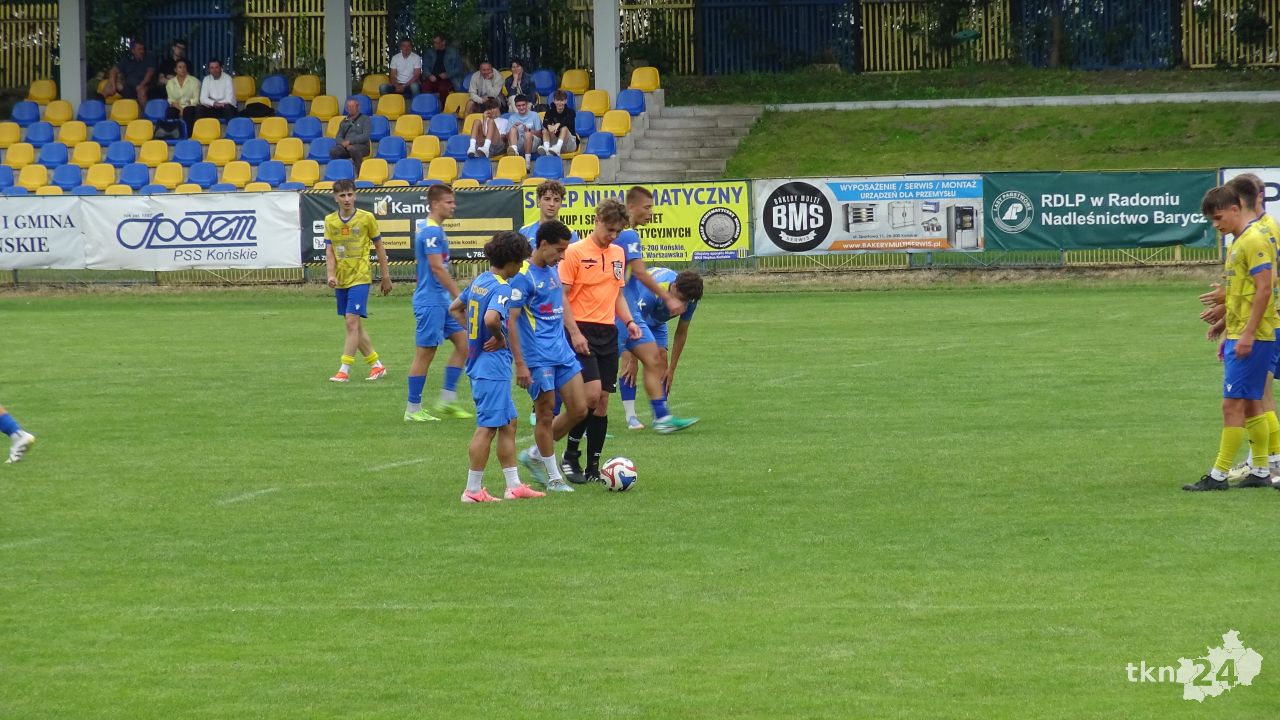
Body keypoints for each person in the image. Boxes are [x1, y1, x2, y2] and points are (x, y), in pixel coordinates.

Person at [1185, 185, 1280, 491]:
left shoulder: (1254, 240)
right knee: (1252, 403)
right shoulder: (1239, 241)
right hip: (1242, 332)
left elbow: (1265, 289)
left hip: (1256, 334)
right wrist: (1226, 325)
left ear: (1236, 208)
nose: (1216, 225)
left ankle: (1218, 476)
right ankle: (1262, 470)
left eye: (1219, 217)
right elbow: (1243, 293)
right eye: (1212, 220)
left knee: (1232, 405)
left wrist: (1248, 334)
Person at [449, 231, 544, 503]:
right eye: (520, 261)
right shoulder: (502, 288)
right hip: (491, 366)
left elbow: (455, 308)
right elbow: (491, 318)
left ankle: (513, 486)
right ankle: (472, 490)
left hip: (482, 362)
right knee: (488, 426)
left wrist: (474, 336)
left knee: (509, 422)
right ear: (511, 261)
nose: (521, 266)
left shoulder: (480, 280)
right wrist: (499, 338)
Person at [558, 198, 643, 483]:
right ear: (597, 221)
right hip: (581, 330)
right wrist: (574, 333)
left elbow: (617, 294)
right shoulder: (574, 252)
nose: (613, 236)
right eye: (609, 230)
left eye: (618, 231)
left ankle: (594, 467)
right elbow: (562, 296)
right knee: (591, 396)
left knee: (603, 402)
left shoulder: (618, 253)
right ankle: (570, 454)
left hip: (608, 331)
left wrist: (629, 322)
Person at [509, 221, 589, 493]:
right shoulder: (523, 277)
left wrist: (574, 333)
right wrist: (521, 364)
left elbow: (561, 301)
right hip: (538, 357)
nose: (563, 256)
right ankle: (554, 478)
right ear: (543, 245)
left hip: (562, 352)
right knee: (545, 413)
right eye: (559, 250)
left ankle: (534, 454)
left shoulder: (553, 269)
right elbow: (511, 320)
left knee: (580, 408)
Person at [614, 186, 698, 433]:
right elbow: (640, 273)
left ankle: (661, 417)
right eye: (647, 207)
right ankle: (581, 421)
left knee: (653, 358)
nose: (651, 212)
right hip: (616, 309)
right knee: (599, 372)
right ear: (631, 207)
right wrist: (667, 298)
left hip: (628, 309)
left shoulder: (626, 236)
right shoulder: (628, 235)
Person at [406, 184, 473, 422]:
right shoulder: (431, 231)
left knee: (465, 344)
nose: (453, 206)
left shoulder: (433, 228)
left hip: (441, 301)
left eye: (453, 202)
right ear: (435, 204)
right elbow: (437, 267)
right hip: (431, 301)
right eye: (448, 202)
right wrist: (459, 297)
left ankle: (447, 399)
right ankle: (413, 409)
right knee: (425, 353)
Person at [324, 179, 392, 383]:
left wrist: (385, 276)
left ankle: (344, 370)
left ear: (355, 195)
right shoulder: (330, 221)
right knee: (355, 326)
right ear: (335, 198)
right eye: (342, 195)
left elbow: (379, 247)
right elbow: (329, 251)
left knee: (351, 322)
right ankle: (377, 365)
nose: (347, 199)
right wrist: (331, 274)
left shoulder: (366, 218)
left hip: (361, 276)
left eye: (350, 194)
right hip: (342, 279)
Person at [619, 267, 704, 428]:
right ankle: (631, 417)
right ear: (674, 287)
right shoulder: (652, 293)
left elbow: (681, 333)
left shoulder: (690, 300)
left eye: (686, 301)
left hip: (657, 322)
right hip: (633, 316)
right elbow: (635, 324)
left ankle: (661, 418)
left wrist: (672, 369)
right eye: (680, 299)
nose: (682, 305)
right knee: (628, 361)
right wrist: (633, 361)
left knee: (662, 361)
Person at [519, 180, 579, 251]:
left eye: (556, 200)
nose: (551, 204)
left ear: (561, 203)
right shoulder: (524, 232)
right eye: (547, 199)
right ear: (538, 200)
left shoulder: (571, 234)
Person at [421, 34, 464, 107]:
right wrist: (429, 75)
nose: (434, 45)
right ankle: (428, 107)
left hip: (447, 78)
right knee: (425, 86)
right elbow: (425, 66)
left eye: (436, 43)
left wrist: (448, 74)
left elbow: (459, 68)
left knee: (443, 88)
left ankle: (444, 108)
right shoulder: (429, 52)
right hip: (432, 77)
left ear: (443, 42)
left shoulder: (453, 52)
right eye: (433, 42)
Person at [331, 98, 371, 171]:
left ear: (358, 107)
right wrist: (344, 144)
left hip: (363, 146)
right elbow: (338, 137)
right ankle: (341, 172)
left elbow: (365, 136)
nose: (350, 108)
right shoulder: (344, 122)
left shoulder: (365, 119)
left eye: (352, 106)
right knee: (334, 151)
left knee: (353, 149)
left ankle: (359, 173)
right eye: (349, 107)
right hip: (346, 147)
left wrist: (349, 141)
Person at [538, 90, 577, 157]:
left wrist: (558, 125)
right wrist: (549, 126)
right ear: (554, 101)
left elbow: (567, 121)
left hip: (569, 144)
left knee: (564, 128)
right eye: (557, 100)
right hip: (554, 142)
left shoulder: (571, 112)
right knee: (545, 130)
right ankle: (547, 149)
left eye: (562, 100)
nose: (559, 103)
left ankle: (558, 148)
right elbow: (545, 122)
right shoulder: (549, 112)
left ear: (566, 101)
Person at [506, 95, 542, 167]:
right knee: (512, 129)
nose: (521, 107)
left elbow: (540, 134)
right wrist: (514, 127)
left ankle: (527, 163)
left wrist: (529, 130)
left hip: (533, 143)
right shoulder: (512, 117)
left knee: (527, 134)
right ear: (515, 106)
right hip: (519, 143)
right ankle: (515, 153)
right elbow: (507, 137)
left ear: (527, 104)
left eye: (523, 105)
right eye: (519, 106)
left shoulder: (534, 115)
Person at [164, 60, 200, 128]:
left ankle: (189, 133)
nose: (183, 69)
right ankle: (172, 132)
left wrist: (186, 106)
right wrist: (181, 110)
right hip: (177, 107)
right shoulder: (170, 83)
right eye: (180, 67)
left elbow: (196, 99)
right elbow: (171, 100)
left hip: (190, 107)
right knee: (170, 111)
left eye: (184, 67)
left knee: (188, 111)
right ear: (175, 70)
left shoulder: (195, 81)